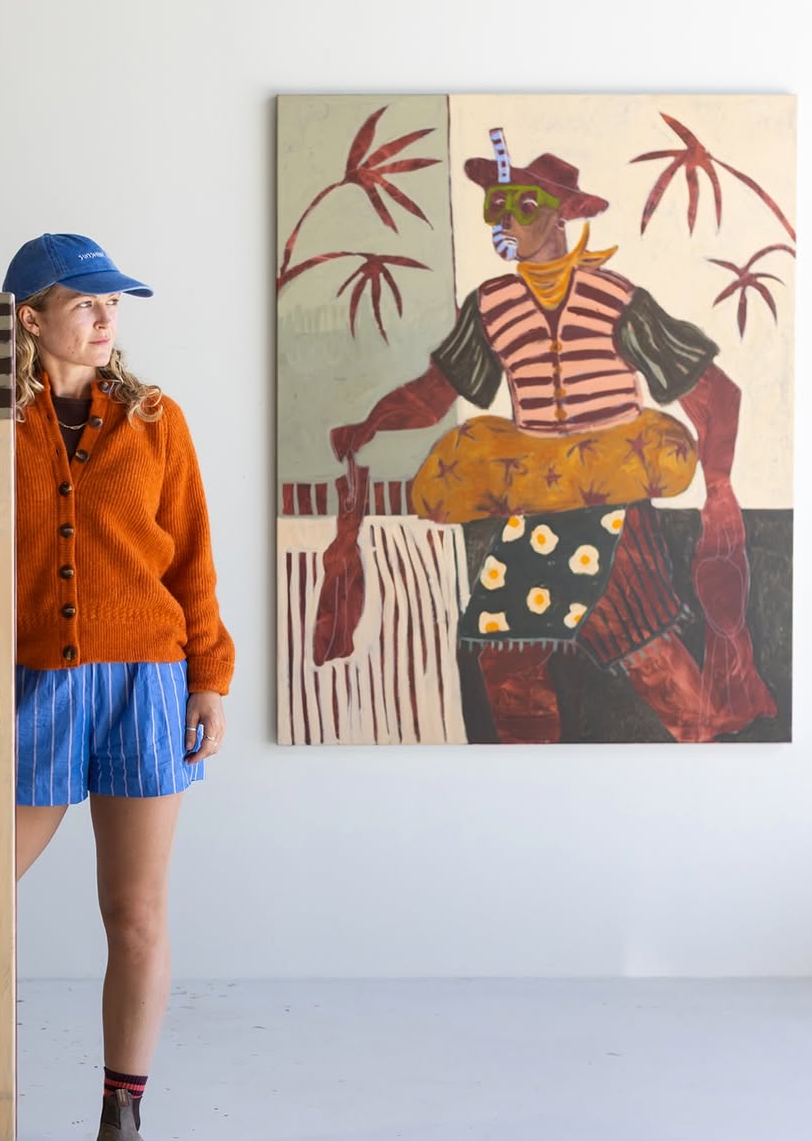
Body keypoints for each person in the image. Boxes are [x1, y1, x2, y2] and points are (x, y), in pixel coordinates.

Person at [0, 232, 234, 1141]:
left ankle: (122, 1120)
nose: (108, 318)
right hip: (34, 685)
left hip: (148, 682)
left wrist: (209, 677)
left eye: (116, 303)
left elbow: (191, 557)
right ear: (31, 317)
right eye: (86, 303)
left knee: (136, 913)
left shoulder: (155, 420)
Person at [331, 144, 775, 744]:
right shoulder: (492, 306)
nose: (506, 221)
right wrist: (370, 423)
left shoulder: (615, 300)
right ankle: (529, 786)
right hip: (534, 507)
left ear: (561, 213)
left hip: (612, 510)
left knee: (650, 661)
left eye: (523, 206)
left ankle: (712, 769)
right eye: (496, 206)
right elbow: (435, 394)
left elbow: (714, 392)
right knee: (505, 658)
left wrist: (719, 486)